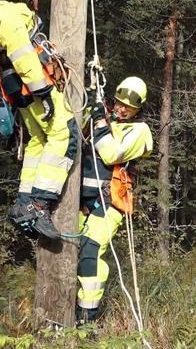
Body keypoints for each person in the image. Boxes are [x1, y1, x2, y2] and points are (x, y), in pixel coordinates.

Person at [0, 0, 78, 239]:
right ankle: (40, 203)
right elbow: (22, 52)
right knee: (64, 134)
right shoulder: (5, 14)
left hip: (15, 86)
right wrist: (43, 91)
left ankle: (23, 203)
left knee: (38, 142)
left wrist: (24, 5)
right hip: (31, 83)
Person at [76, 76, 153, 324]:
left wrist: (99, 122)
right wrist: (93, 110)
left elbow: (112, 154)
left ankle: (87, 316)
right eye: (119, 103)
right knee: (70, 252)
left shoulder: (139, 131)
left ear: (138, 108)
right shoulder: (105, 119)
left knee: (90, 250)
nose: (121, 109)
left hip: (108, 203)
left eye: (127, 107)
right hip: (80, 203)